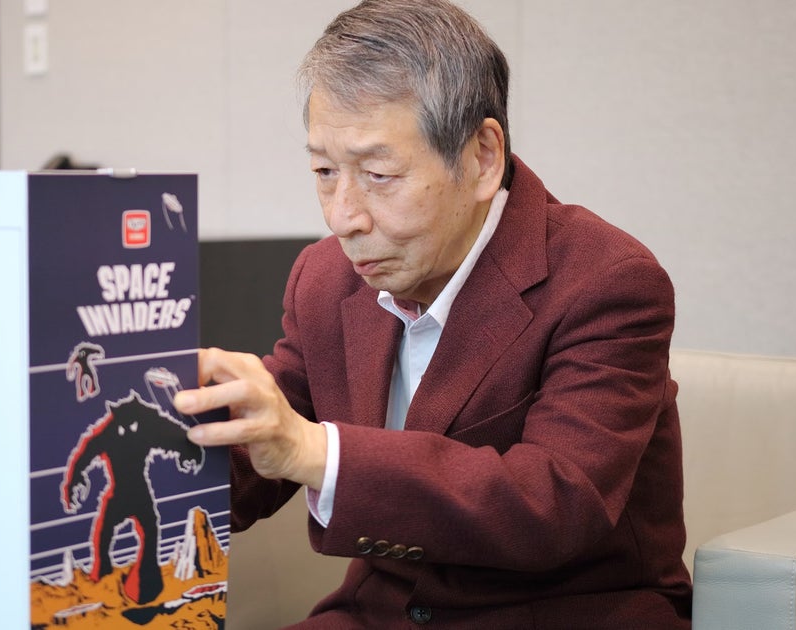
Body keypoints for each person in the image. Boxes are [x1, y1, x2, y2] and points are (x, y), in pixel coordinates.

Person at [174, 0, 693, 626]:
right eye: (323, 171)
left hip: (558, 612)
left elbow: (554, 505)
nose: (343, 217)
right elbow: (257, 454)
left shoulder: (605, 280)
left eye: (378, 173)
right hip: (381, 613)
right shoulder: (325, 278)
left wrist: (312, 450)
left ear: (481, 157)